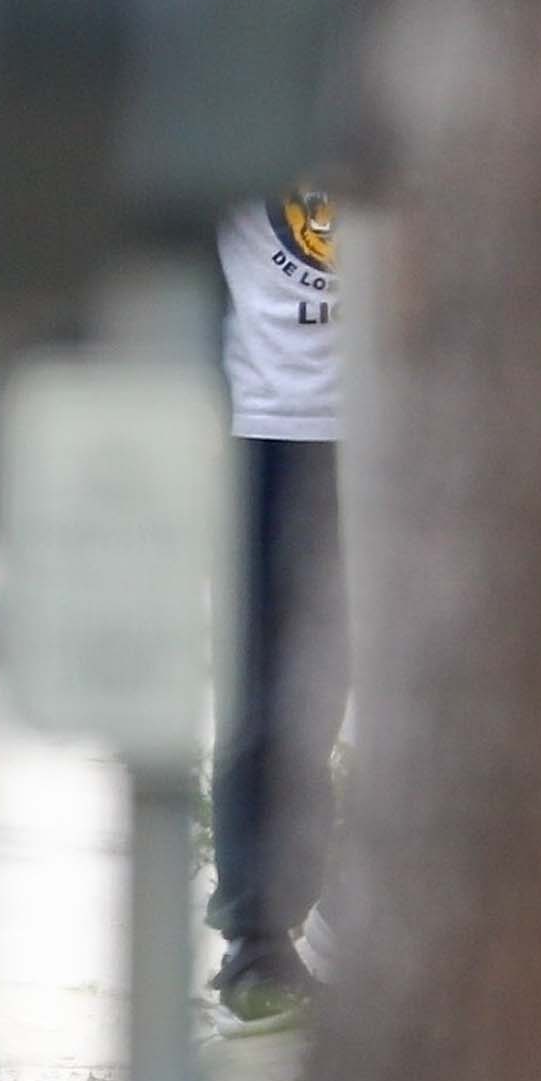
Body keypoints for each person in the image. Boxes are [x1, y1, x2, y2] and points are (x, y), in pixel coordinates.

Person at [208, 187, 347, 1028]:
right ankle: (256, 943)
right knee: (268, 690)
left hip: (396, 421)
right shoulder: (250, 84)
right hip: (267, 428)